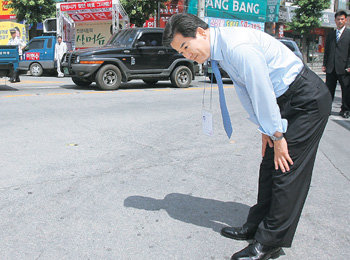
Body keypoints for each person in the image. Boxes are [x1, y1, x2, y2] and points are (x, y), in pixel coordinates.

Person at [163, 13, 332, 260]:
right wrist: (264, 129)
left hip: (306, 100)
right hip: (283, 100)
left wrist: (277, 134)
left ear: (201, 33)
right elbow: (245, 89)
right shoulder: (221, 50)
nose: (187, 56)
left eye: (186, 47)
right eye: (181, 52)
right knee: (268, 166)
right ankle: (256, 225)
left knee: (286, 169)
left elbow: (261, 89)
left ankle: (270, 242)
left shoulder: (237, 47)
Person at [322, 10, 350, 118]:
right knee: (329, 90)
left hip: (344, 68)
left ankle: (346, 109)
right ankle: (327, 109)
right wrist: (324, 64)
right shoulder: (331, 35)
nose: (340, 21)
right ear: (335, 20)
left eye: (342, 19)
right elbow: (327, 50)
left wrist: (349, 65)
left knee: (346, 90)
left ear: (345, 20)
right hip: (331, 67)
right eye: (338, 19)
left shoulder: (348, 34)